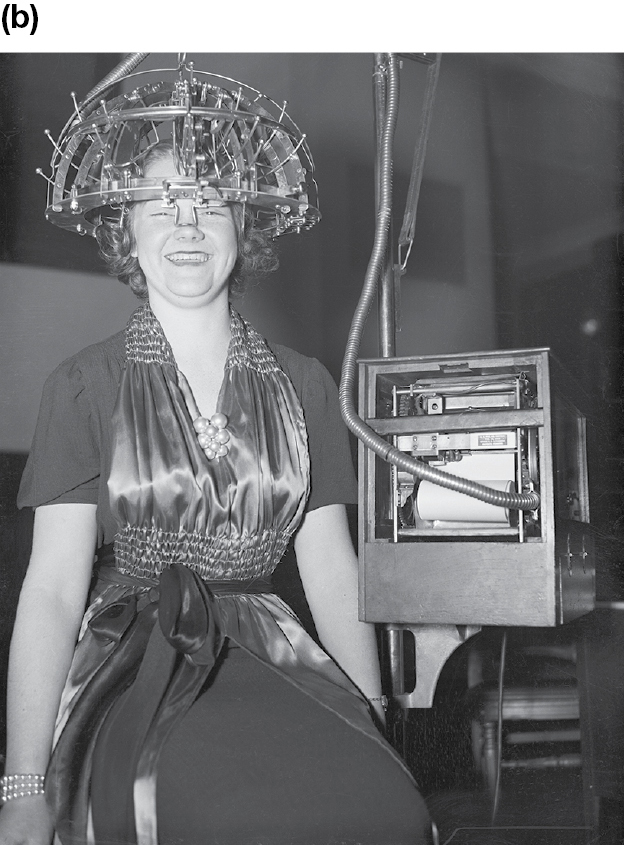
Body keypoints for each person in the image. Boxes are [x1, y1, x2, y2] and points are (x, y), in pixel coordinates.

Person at [0, 63, 433, 845]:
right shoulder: (81, 384)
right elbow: (54, 591)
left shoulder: (306, 383)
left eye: (209, 202)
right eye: (160, 202)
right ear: (124, 227)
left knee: (389, 812)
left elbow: (331, 569)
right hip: (133, 665)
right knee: (228, 814)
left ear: (245, 224)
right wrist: (23, 785)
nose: (187, 223)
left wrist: (374, 724)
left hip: (276, 656)